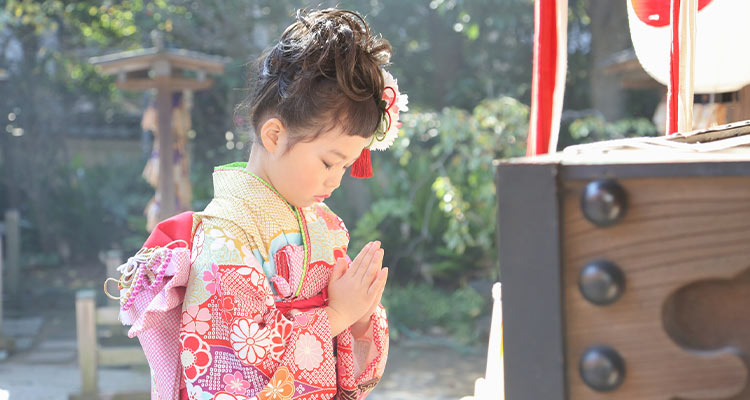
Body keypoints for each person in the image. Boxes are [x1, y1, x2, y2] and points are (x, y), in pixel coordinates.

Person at [107, 8, 408, 400]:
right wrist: (336, 316)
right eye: (329, 162)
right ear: (274, 135)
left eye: (347, 166)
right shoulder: (225, 235)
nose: (336, 179)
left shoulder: (325, 227)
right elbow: (239, 361)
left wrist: (360, 314)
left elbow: (347, 356)